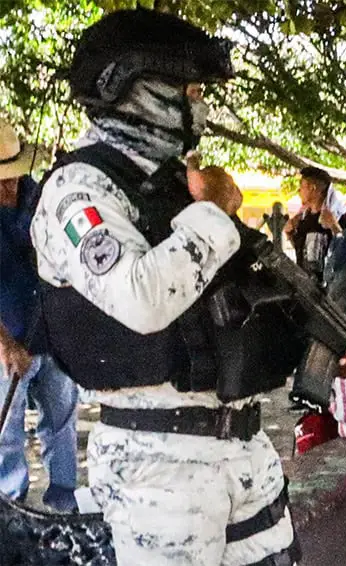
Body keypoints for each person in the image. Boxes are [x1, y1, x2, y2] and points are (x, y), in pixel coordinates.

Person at [30, 10, 304, 564]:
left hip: (242, 450)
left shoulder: (178, 184)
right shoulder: (76, 191)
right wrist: (215, 213)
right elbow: (142, 297)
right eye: (192, 89)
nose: (200, 105)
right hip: (156, 469)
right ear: (137, 91)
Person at [0, 119, 78, 513]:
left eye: (10, 176)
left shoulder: (43, 200)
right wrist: (5, 344)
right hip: (5, 340)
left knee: (61, 426)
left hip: (53, 336)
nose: (6, 186)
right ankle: (11, 505)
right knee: (5, 436)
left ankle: (64, 504)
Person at [285, 166, 346, 283]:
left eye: (302, 186)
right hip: (305, 285)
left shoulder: (339, 215)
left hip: (330, 287)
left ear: (312, 188)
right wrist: (290, 234)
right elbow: (301, 251)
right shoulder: (303, 218)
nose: (299, 190)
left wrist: (334, 226)